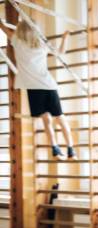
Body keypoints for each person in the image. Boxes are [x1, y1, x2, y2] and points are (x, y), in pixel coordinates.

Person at [0, 19, 76, 160]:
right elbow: (61, 52)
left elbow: (3, 27)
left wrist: (3, 22)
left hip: (34, 89)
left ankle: (56, 147)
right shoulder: (41, 44)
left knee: (47, 119)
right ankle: (69, 148)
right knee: (59, 118)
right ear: (36, 30)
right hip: (47, 86)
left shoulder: (17, 41)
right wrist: (65, 37)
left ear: (21, 30)